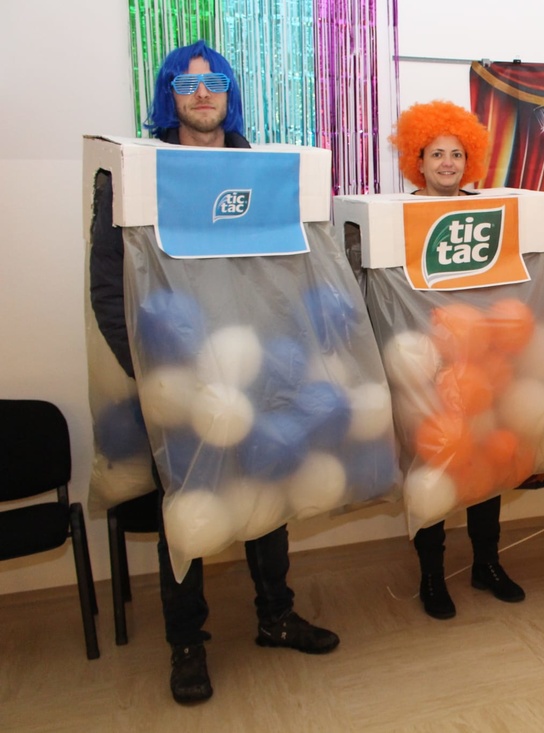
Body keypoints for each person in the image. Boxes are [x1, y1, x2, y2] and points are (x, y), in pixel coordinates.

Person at [89, 40, 339, 705]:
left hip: (260, 369)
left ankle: (276, 615)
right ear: (166, 96)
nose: (202, 94)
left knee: (269, 488)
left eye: (215, 82)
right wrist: (154, 372)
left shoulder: (264, 174)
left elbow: (293, 275)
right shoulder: (136, 177)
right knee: (188, 504)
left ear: (230, 94)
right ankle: (187, 643)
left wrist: (290, 355)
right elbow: (110, 290)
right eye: (185, 84)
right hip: (178, 378)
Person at [390, 100, 526, 619]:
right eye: (436, 154)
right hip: (425, 364)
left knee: (485, 457)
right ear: (417, 160)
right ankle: (432, 575)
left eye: (457, 154)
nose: (447, 163)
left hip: (482, 362)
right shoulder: (396, 217)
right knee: (433, 461)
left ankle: (487, 564)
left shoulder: (491, 211)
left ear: (469, 161)